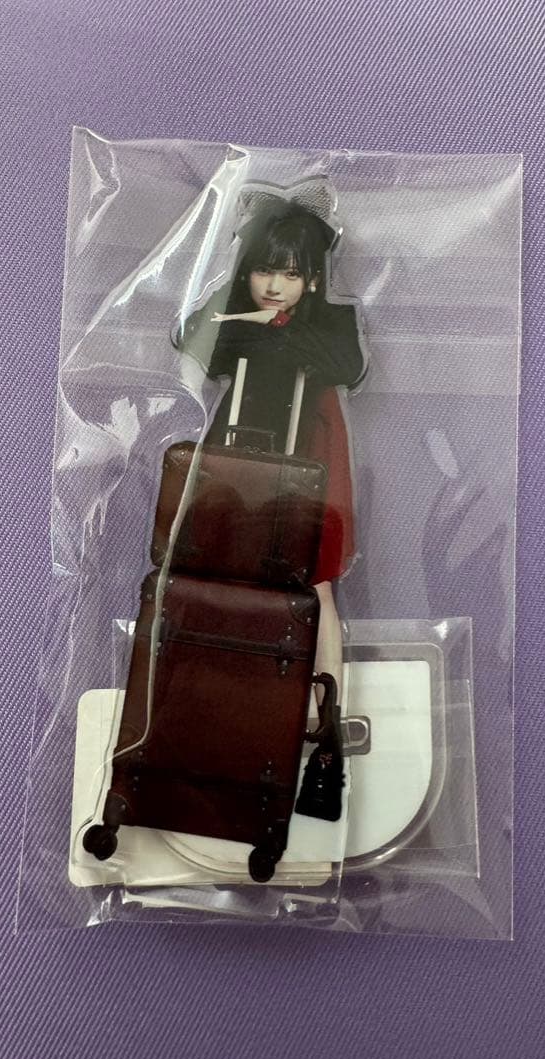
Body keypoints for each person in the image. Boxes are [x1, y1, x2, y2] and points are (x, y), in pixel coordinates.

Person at [171, 191, 367, 701]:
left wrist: (272, 329)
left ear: (313, 279)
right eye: (263, 271)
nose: (275, 286)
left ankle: (328, 708)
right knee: (229, 567)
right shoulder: (232, 317)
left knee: (315, 582)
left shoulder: (331, 325)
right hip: (238, 453)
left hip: (309, 452)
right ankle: (226, 690)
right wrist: (245, 317)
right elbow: (193, 336)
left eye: (291, 274)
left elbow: (346, 365)